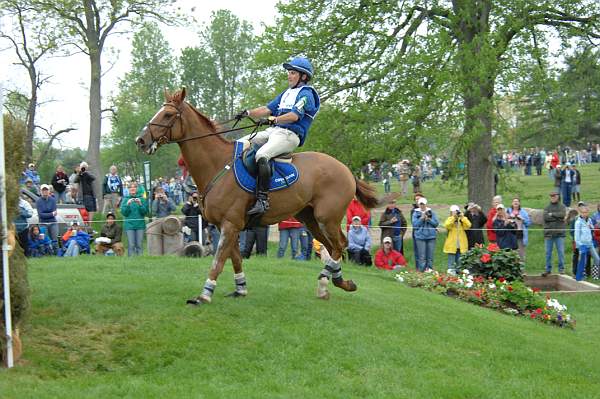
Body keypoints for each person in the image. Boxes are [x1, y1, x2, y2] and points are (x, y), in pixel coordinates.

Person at [235, 56, 320, 216]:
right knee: (239, 143)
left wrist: (274, 119)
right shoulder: (287, 93)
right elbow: (267, 109)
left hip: (290, 134)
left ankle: (262, 200)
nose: (289, 75)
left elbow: (294, 116)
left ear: (303, 77)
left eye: (293, 73)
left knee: (262, 154)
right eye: (289, 72)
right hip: (274, 132)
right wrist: (247, 113)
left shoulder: (306, 95)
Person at [542, 191, 566, 276]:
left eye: (554, 196)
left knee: (561, 252)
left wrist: (552, 215)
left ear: (558, 196)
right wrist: (557, 217)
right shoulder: (546, 207)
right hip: (549, 233)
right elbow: (545, 217)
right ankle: (548, 269)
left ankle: (561, 269)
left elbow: (562, 215)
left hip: (559, 233)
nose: (552, 197)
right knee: (548, 253)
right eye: (551, 196)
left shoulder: (562, 206)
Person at [121, 182, 148, 256]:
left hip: (140, 225)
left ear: (137, 189)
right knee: (131, 244)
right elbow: (124, 213)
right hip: (129, 225)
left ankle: (140, 260)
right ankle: (131, 261)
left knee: (139, 244)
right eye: (130, 187)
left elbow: (145, 212)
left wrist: (140, 204)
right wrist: (127, 205)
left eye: (134, 187)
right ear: (128, 189)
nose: (132, 188)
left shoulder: (142, 199)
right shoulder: (125, 199)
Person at [412, 197, 439, 272]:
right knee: (422, 256)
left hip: (431, 236)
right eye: (420, 204)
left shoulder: (431, 212)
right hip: (420, 237)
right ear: (418, 204)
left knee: (430, 256)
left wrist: (429, 220)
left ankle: (430, 270)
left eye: (423, 204)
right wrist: (421, 219)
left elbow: (436, 223)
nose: (422, 206)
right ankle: (422, 271)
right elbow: (415, 225)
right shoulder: (415, 213)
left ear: (426, 204)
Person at [574, 205, 600, 281]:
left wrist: (591, 226)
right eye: (583, 212)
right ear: (580, 213)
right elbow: (576, 235)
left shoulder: (589, 220)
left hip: (590, 243)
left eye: (586, 212)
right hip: (582, 244)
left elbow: (592, 229)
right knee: (583, 261)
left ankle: (595, 275)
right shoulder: (578, 222)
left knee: (597, 259)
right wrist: (579, 245)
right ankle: (583, 276)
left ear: (588, 213)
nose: (584, 214)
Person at [443, 205, 472, 274]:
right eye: (453, 212)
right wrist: (454, 218)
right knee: (451, 263)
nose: (455, 213)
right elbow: (447, 225)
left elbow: (469, 225)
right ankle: (452, 276)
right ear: (451, 212)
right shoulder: (450, 219)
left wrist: (462, 217)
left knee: (460, 263)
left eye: (456, 212)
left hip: (461, 246)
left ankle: (459, 275)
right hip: (452, 246)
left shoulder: (462, 220)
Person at [35, 184, 58, 252]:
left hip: (53, 222)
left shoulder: (53, 200)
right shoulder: (38, 201)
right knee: (44, 239)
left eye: (46, 190)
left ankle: (56, 253)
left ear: (49, 191)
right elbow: (41, 215)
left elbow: (55, 213)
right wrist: (51, 214)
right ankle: (46, 253)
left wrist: (48, 214)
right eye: (43, 190)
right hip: (43, 223)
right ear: (41, 191)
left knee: (55, 239)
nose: (45, 191)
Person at [508, 197, 531, 263]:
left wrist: (523, 219)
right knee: (512, 253)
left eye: (517, 201)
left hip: (520, 234)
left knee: (521, 253)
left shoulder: (523, 212)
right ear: (512, 203)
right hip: (510, 235)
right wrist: (510, 217)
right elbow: (504, 220)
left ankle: (522, 270)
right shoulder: (508, 211)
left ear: (519, 203)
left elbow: (528, 223)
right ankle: (512, 270)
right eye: (514, 201)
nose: (515, 202)